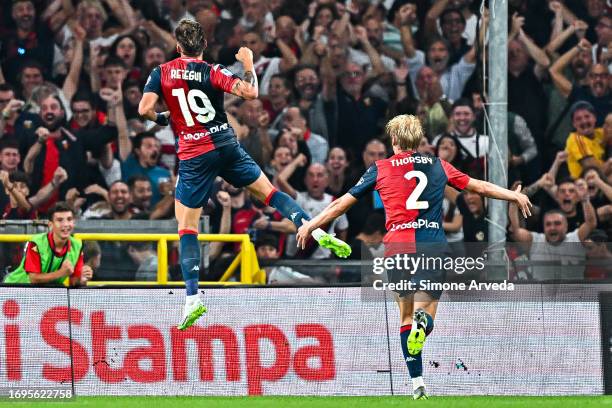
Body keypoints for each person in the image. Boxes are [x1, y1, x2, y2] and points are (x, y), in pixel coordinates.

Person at [296, 114, 532, 399]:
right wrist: (513, 196)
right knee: (425, 312)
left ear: (394, 140)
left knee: (405, 316)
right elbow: (478, 186)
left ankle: (417, 382)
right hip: (431, 243)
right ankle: (424, 326)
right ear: (418, 141)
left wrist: (311, 224)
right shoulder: (438, 165)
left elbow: (342, 203)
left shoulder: (379, 168)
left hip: (397, 247)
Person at [138, 19, 350, 331]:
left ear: (178, 45)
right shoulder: (213, 71)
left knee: (187, 227)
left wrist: (159, 118)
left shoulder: (161, 72)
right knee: (271, 193)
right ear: (204, 45)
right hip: (225, 144)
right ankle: (315, 228)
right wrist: (248, 64)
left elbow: (144, 108)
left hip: (194, 155)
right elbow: (250, 92)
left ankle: (193, 298)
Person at [3, 202, 92, 286]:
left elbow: (73, 281)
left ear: (73, 222)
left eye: (69, 219)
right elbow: (33, 279)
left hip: (46, 293)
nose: (65, 224)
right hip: (15, 288)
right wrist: (61, 273)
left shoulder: (77, 245)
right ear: (50, 224)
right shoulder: (37, 243)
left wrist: (82, 279)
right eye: (60, 220)